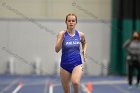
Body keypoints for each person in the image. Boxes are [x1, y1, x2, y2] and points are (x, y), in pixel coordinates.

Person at [55, 13, 87, 93]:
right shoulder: (61, 34)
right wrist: (61, 39)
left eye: (73, 21)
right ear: (66, 22)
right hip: (64, 66)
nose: (71, 22)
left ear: (76, 22)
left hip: (77, 64)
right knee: (66, 91)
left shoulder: (80, 34)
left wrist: (84, 50)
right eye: (69, 20)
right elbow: (57, 49)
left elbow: (85, 42)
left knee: (75, 82)